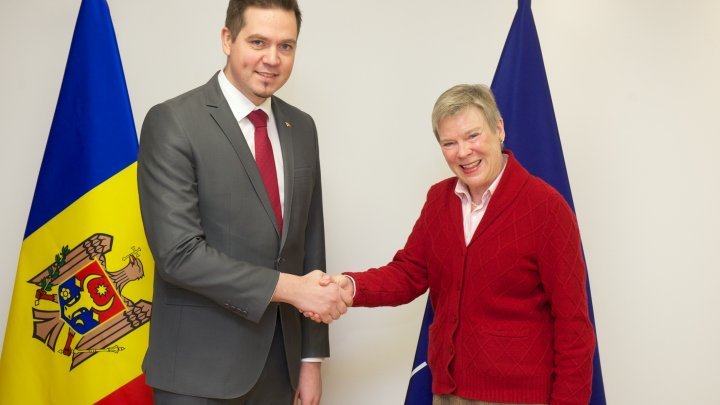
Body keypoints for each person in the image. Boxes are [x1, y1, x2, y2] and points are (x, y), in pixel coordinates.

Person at [316, 84, 596, 404]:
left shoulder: (547, 208)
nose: (463, 152)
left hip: (521, 397)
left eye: (472, 136)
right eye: (450, 143)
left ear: (499, 129)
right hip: (447, 393)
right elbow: (408, 273)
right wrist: (348, 287)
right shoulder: (439, 200)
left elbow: (574, 328)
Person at [138, 1, 350, 403]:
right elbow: (178, 254)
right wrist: (292, 289)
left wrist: (310, 359)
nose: (272, 59)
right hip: (196, 374)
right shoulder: (173, 122)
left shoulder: (301, 127)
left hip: (279, 369)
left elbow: (310, 246)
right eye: (258, 42)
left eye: (286, 46)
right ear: (227, 39)